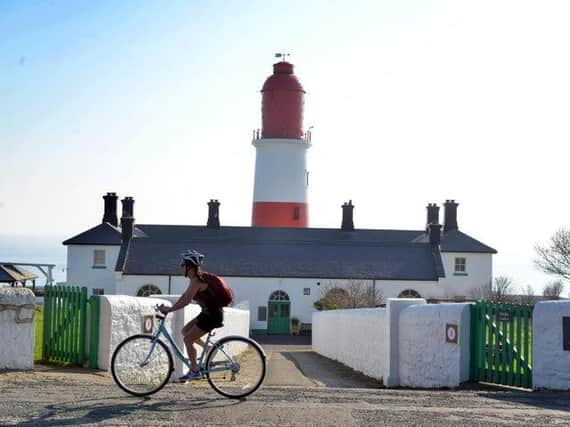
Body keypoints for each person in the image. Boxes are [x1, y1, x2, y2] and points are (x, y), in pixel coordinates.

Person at [158, 249, 224, 382]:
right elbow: (184, 296)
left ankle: (194, 371)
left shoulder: (197, 281)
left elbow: (186, 301)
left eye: (182, 265)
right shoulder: (195, 279)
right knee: (185, 331)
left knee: (188, 340)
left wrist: (169, 310)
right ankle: (209, 348)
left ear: (190, 267)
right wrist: (170, 308)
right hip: (207, 313)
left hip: (212, 316)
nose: (180, 267)